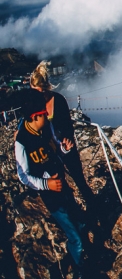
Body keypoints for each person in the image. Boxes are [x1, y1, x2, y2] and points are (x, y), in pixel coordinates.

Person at [14, 88, 86, 276]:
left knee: (80, 223)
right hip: (52, 198)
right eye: (44, 114)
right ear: (36, 116)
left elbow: (56, 151)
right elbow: (23, 176)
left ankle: (75, 256)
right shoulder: (21, 142)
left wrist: (65, 149)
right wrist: (47, 185)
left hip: (64, 188)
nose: (48, 116)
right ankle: (80, 269)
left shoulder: (47, 129)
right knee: (75, 236)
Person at [30, 61, 94, 203]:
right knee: (57, 181)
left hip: (65, 145)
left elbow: (67, 125)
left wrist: (66, 139)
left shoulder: (58, 100)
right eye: (35, 92)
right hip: (48, 150)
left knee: (78, 178)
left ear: (47, 87)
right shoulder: (33, 103)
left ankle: (92, 204)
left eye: (42, 92)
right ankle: (71, 211)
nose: (39, 95)